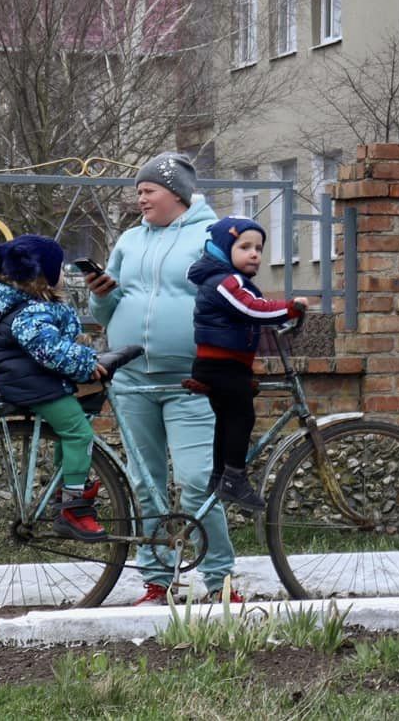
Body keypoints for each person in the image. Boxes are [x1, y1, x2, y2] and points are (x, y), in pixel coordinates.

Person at [86, 153, 236, 602]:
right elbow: (106, 312)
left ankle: (220, 581)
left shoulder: (212, 237)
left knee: (196, 480)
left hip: (191, 381)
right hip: (131, 381)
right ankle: (157, 580)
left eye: (148, 190)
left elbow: (232, 296)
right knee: (143, 484)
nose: (141, 197)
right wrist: (101, 297)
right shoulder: (130, 240)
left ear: (176, 193)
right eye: (139, 191)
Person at [0, 233, 120, 540]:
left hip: (33, 382)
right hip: (36, 386)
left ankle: (64, 486)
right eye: (60, 271)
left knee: (69, 431)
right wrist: (84, 364)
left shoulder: (20, 304)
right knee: (79, 432)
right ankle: (73, 507)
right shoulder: (31, 314)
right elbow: (51, 350)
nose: (65, 277)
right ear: (43, 279)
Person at [186, 216, 302, 511]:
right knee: (242, 417)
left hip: (226, 366)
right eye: (245, 246)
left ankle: (219, 476)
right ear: (225, 249)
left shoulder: (230, 280)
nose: (254, 254)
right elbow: (251, 309)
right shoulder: (226, 281)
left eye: (259, 248)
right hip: (220, 366)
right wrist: (288, 309)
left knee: (226, 421)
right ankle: (234, 479)